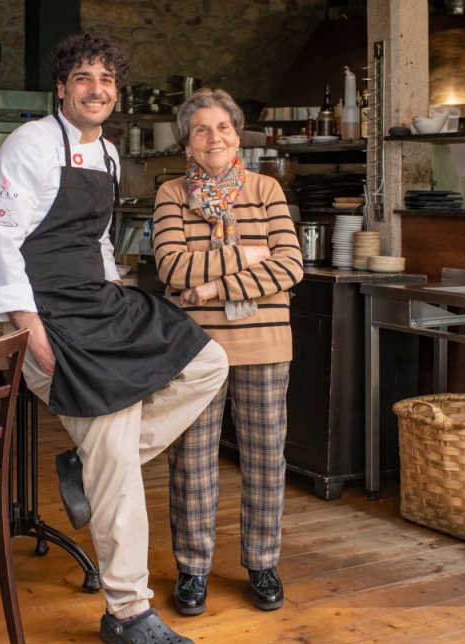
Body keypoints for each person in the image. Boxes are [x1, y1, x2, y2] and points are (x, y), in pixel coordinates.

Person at [0, 33, 229, 644]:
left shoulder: (110, 154)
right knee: (113, 455)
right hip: (47, 313)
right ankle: (128, 611)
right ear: (62, 88)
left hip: (99, 301)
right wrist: (29, 327)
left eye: (107, 80)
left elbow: (97, 240)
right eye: (84, 78)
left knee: (207, 362)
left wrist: (117, 287)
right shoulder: (30, 144)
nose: (97, 89)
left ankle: (84, 468)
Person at [151, 88, 304, 616]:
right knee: (192, 463)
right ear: (187, 144)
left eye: (223, 128)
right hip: (196, 350)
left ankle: (262, 563)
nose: (213, 138)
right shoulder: (172, 194)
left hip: (265, 343)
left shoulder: (266, 189)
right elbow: (172, 267)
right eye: (201, 130)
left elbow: (290, 266)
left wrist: (213, 286)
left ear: (237, 136)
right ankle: (193, 569)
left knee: (265, 460)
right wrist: (250, 254)